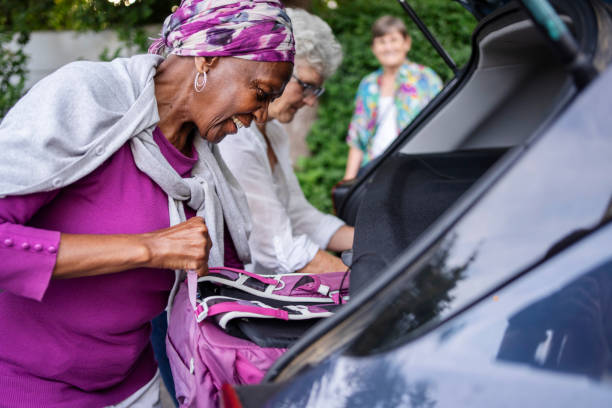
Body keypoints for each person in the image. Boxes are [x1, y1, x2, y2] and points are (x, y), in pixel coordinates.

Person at [0, 0, 294, 406]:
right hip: (28, 385)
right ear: (207, 58)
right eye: (260, 93)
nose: (260, 117)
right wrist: (151, 247)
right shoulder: (86, 98)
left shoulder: (201, 163)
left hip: (133, 386)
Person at [219, 8, 353, 275]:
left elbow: (299, 215)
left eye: (317, 90)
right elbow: (278, 251)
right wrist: (366, 282)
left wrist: (377, 242)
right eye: (306, 86)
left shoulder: (274, 131)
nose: (311, 100)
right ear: (276, 69)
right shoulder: (235, 138)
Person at [343, 15, 443, 180]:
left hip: (415, 172)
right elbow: (357, 139)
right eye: (381, 41)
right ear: (374, 48)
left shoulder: (426, 78)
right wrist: (347, 183)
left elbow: (440, 127)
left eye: (393, 40)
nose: (388, 47)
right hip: (373, 173)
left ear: (406, 43)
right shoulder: (368, 84)